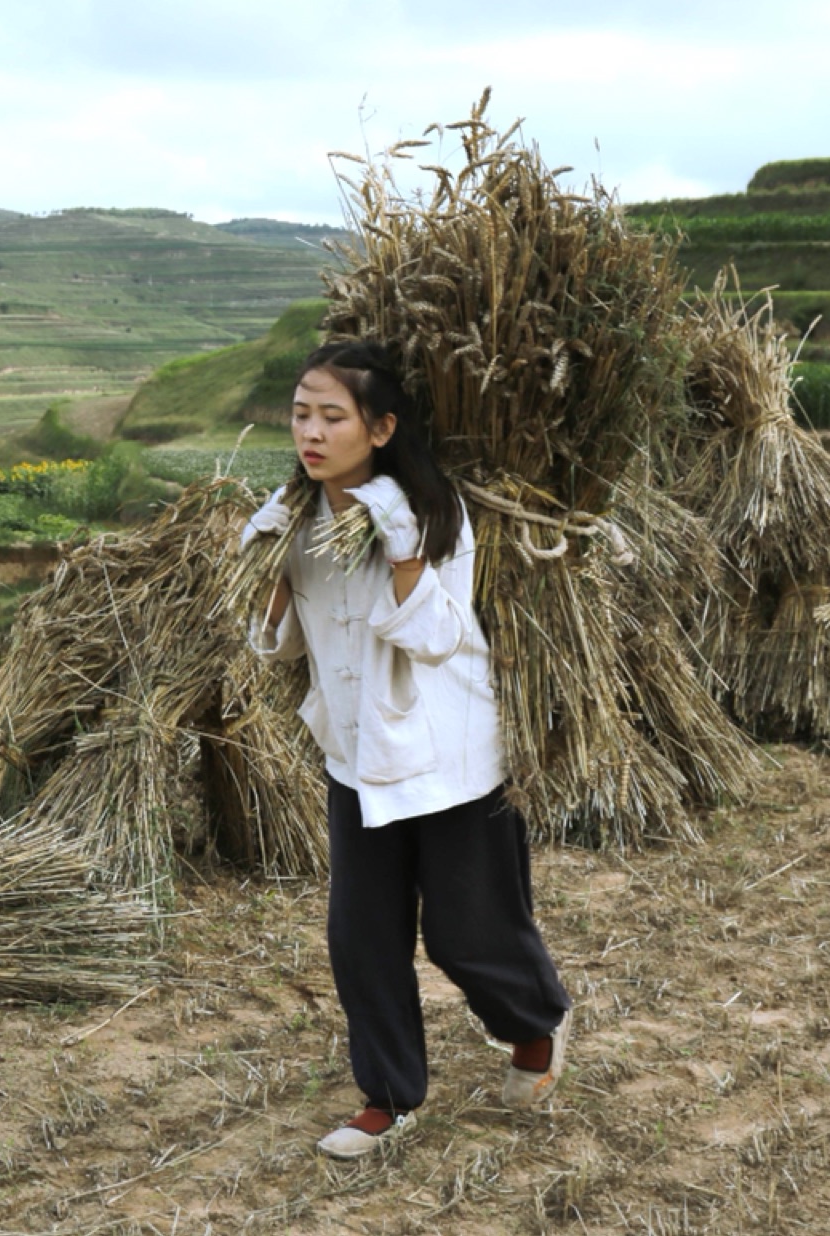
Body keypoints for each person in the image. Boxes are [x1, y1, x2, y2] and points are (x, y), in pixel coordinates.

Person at [242, 340, 571, 1161]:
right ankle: (387, 1099)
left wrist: (398, 542)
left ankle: (535, 1024)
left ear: (381, 427)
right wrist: (272, 563)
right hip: (353, 759)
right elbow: (273, 649)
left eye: (331, 416)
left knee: (467, 935)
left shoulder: (431, 511)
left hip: (449, 760)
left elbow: (435, 637)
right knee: (361, 937)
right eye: (299, 414)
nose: (309, 433)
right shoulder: (299, 517)